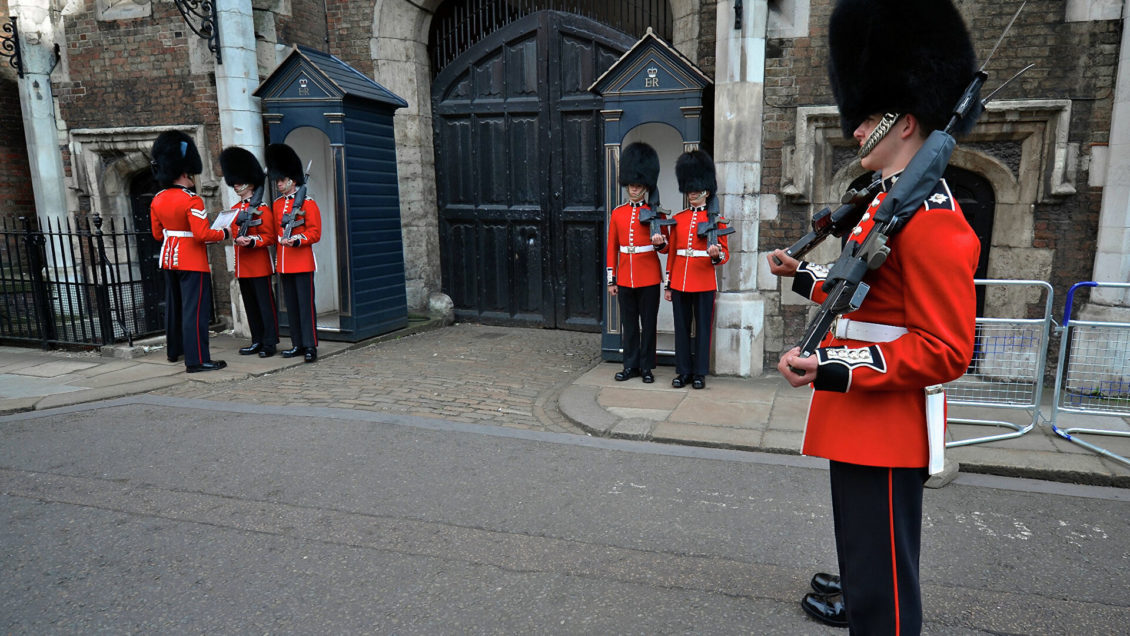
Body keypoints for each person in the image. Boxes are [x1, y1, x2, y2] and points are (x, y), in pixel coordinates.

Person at [768, 0, 981, 632]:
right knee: (865, 577)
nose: (856, 130)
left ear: (906, 121)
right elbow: (861, 299)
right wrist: (802, 277)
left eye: (868, 119)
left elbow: (945, 349)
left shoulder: (933, 224)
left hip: (885, 424)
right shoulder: (886, 207)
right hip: (858, 417)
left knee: (884, 600)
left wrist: (831, 364)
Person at [149, 130, 230, 373]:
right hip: (191, 261)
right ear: (185, 173)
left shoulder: (158, 199)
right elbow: (202, 234)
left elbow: (157, 234)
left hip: (168, 259)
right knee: (195, 313)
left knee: (175, 308)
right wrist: (225, 233)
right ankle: (197, 360)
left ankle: (176, 351)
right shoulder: (191, 200)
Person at [606, 141, 669, 383]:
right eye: (631, 186)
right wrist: (612, 279)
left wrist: (659, 242)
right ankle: (630, 365)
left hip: (649, 276)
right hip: (624, 276)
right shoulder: (618, 213)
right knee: (629, 324)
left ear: (645, 187)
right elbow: (612, 247)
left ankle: (646, 367)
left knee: (649, 324)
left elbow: (667, 249)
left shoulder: (658, 214)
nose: (634, 190)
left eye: (638, 186)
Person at [665, 150, 728, 390]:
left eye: (696, 189)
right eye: (689, 190)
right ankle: (683, 371)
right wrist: (669, 284)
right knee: (681, 329)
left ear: (706, 191)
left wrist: (716, 256)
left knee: (702, 329)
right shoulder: (679, 219)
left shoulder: (717, 220)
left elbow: (725, 254)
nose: (692, 194)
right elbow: (672, 254)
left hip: (703, 280)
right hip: (680, 280)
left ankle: (699, 373)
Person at [220, 146, 279, 358]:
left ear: (250, 183)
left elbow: (270, 237)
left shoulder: (262, 209)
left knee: (265, 307)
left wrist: (251, 241)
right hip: (243, 265)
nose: (236, 185)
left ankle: (270, 342)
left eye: (239, 181)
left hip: (259, 263)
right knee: (251, 307)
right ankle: (257, 340)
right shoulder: (235, 209)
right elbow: (232, 232)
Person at [267, 143, 321, 363]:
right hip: (284, 262)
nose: (279, 184)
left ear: (292, 179)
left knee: (305, 306)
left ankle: (310, 346)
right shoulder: (278, 204)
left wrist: (297, 240)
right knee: (291, 305)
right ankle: (297, 344)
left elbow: (315, 233)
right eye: (277, 180)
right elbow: (273, 232)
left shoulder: (308, 203)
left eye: (282, 180)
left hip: (302, 260)